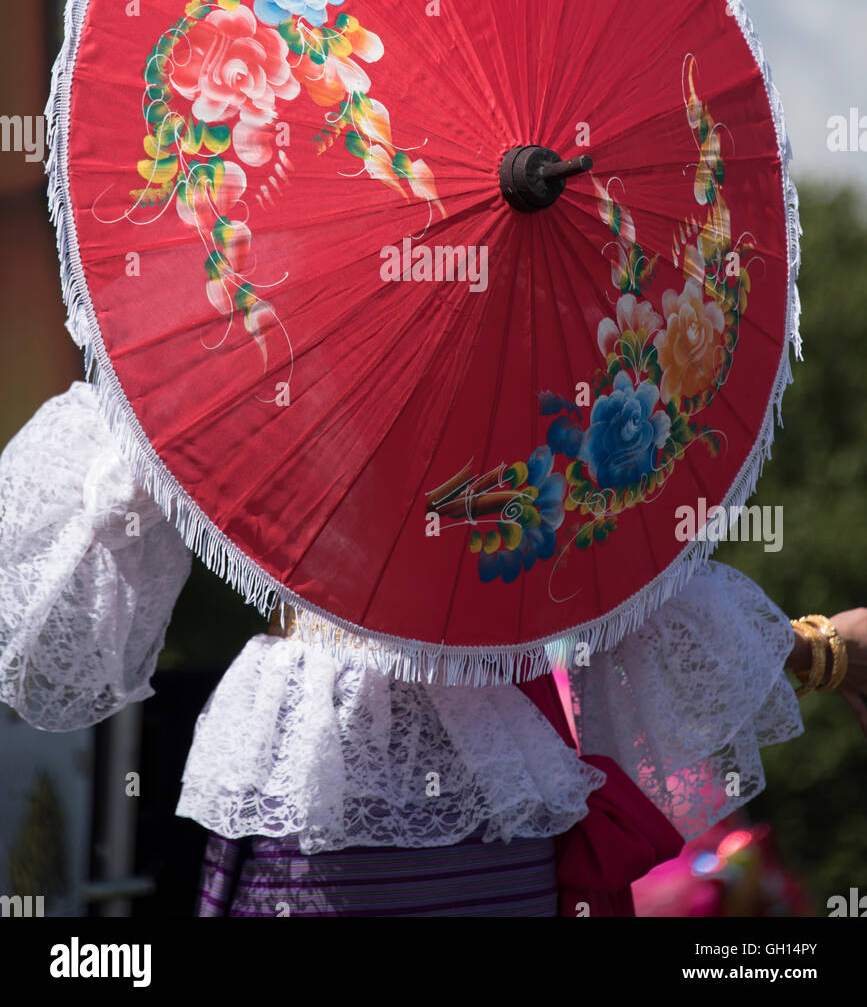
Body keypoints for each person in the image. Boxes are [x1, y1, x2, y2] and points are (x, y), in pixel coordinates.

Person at [1, 381, 864, 917]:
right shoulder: (549, 374)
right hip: (488, 806)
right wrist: (820, 650)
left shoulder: (256, 336)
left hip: (318, 787)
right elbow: (645, 603)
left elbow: (95, 516)